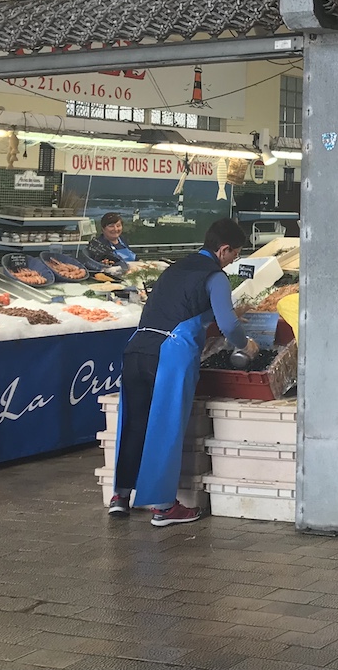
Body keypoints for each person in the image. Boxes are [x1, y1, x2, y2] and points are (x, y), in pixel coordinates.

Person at [109, 219, 255, 526]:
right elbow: (229, 325)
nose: (233, 260)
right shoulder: (215, 277)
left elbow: (177, 309)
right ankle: (163, 507)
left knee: (133, 423)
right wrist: (247, 344)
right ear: (223, 249)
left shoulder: (175, 268)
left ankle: (120, 497)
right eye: (235, 254)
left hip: (136, 348)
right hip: (169, 354)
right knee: (165, 426)